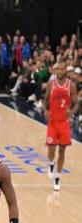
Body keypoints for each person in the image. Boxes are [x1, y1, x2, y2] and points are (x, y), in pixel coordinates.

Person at [44, 60, 78, 191]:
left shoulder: (71, 86)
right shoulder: (51, 84)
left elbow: (76, 103)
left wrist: (71, 112)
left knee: (62, 151)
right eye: (58, 69)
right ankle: (51, 163)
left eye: (62, 69)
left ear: (66, 71)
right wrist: (45, 111)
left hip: (64, 123)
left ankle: (57, 177)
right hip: (53, 122)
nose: (60, 71)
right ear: (55, 70)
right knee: (51, 149)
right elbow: (46, 100)